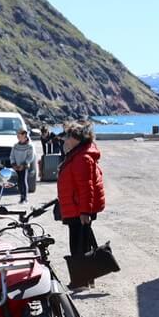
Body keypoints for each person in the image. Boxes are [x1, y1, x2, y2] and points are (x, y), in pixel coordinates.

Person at [55, 120, 106, 289]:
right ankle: (86, 279)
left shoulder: (81, 158)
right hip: (77, 207)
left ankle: (80, 281)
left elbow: (86, 188)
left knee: (78, 245)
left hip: (79, 210)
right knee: (82, 243)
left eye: (67, 136)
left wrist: (85, 212)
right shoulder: (79, 154)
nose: (64, 140)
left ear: (76, 138)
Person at [9, 129, 36, 203]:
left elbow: (30, 157)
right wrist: (13, 164)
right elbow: (12, 156)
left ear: (24, 135)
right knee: (19, 182)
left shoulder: (29, 146)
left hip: (24, 167)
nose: (18, 136)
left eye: (19, 135)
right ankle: (21, 196)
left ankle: (24, 197)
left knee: (23, 181)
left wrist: (24, 164)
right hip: (16, 166)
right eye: (17, 135)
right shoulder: (15, 146)